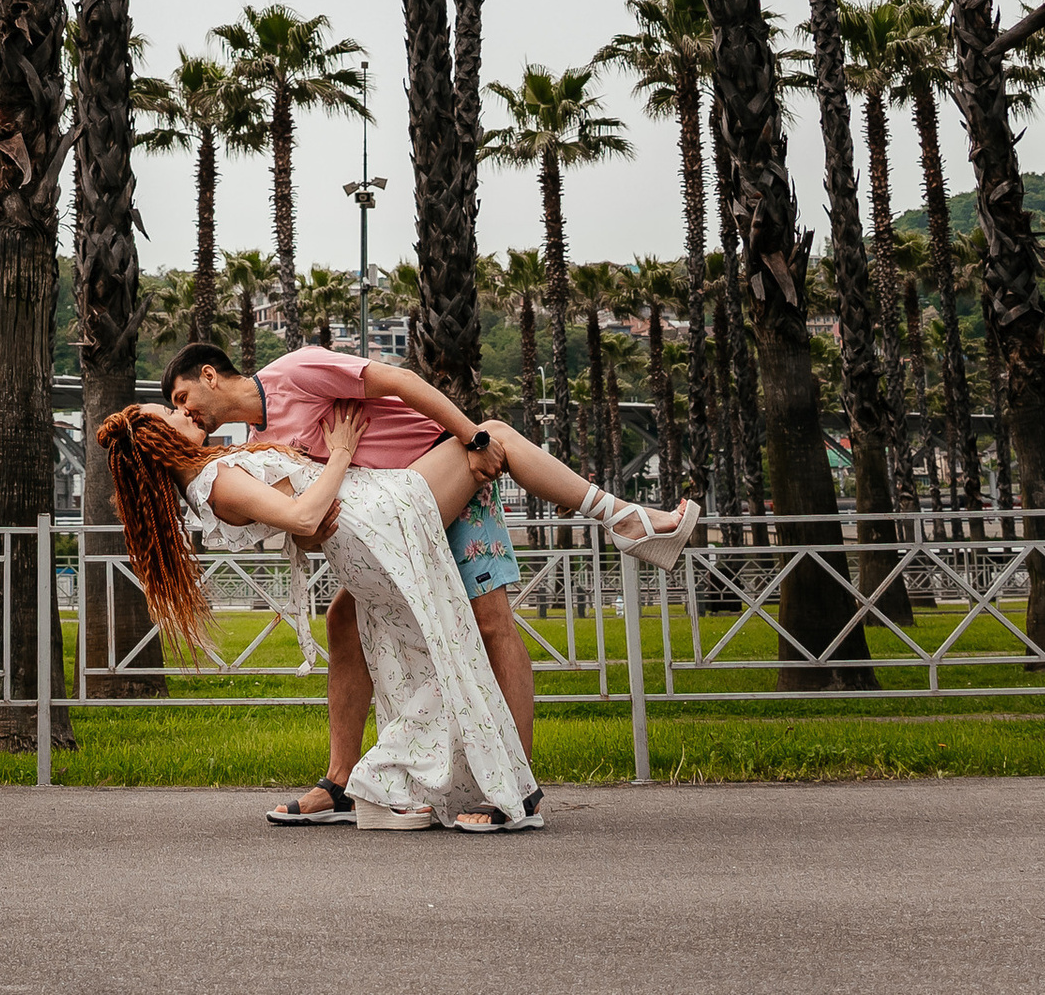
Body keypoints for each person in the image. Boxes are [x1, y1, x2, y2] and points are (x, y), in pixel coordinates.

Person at [162, 339, 698, 825]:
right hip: (398, 523)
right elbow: (306, 524)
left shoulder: (294, 373)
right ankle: (341, 781)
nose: (184, 411)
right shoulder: (264, 439)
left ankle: (519, 788)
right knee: (342, 619)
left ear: (210, 375)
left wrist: (473, 437)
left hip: (449, 479)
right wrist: (311, 528)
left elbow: (400, 382)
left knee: (491, 623)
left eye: (183, 396)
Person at [97, 398, 542, 831]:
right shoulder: (213, 482)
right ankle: (608, 510)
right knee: (492, 438)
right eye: (170, 413)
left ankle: (399, 782)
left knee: (422, 655)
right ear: (158, 442)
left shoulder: (211, 475)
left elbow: (299, 515)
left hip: (366, 535)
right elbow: (304, 516)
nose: (182, 411)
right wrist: (343, 452)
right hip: (378, 526)